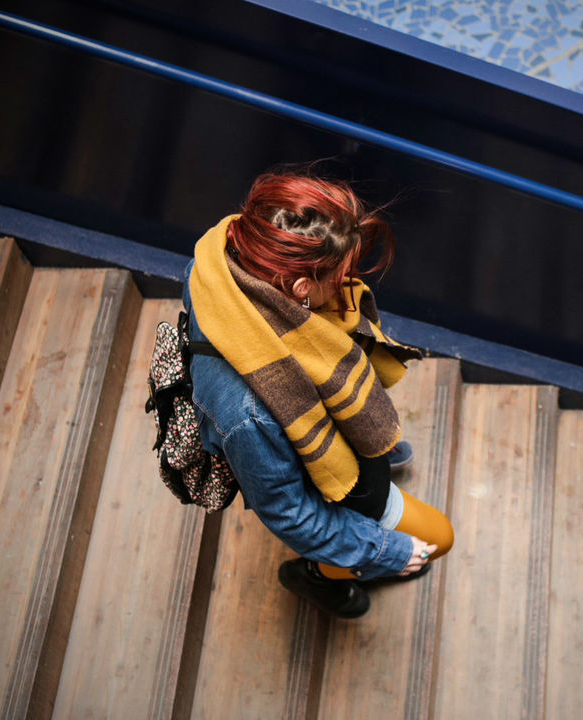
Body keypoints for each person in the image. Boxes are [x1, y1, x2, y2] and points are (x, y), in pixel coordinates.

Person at [181, 170, 454, 618]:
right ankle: (317, 578)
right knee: (439, 538)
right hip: (325, 480)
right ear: (301, 290)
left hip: (322, 442)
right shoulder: (250, 417)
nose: (351, 285)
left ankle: (374, 468)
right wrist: (384, 552)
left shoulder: (226, 255)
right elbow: (292, 515)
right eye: (342, 274)